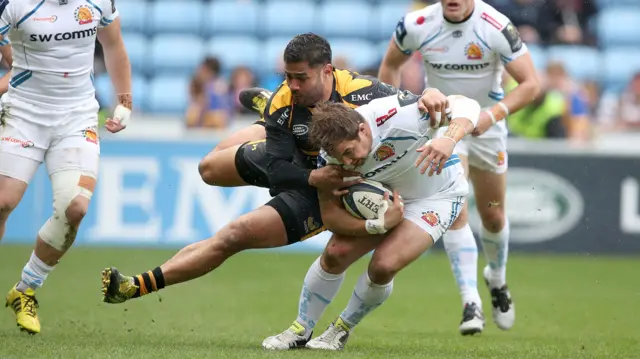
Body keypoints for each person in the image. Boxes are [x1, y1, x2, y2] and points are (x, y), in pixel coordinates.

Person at [100, 33, 446, 306]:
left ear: (327, 71)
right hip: (300, 164)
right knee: (208, 168)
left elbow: (412, 105)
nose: (292, 86)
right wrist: (312, 174)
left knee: (234, 236)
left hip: (328, 189)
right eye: (287, 77)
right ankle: (267, 117)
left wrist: (429, 93)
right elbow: (279, 171)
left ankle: (134, 287)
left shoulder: (364, 91)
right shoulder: (288, 99)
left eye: (300, 78)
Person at [263, 92, 481, 351]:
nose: (346, 162)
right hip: (387, 197)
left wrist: (448, 138)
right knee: (335, 253)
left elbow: (469, 104)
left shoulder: (398, 115)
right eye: (340, 157)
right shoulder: (330, 157)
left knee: (383, 266)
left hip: (438, 196)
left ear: (363, 130)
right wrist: (376, 225)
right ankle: (300, 329)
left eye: (348, 152)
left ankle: (340, 330)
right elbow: (331, 217)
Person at [378, 0, 540, 334]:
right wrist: (397, 111)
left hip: (486, 126)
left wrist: (491, 115)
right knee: (456, 208)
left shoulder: (494, 26)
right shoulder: (417, 24)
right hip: (444, 127)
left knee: (493, 215)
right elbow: (390, 65)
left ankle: (496, 278)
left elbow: (531, 84)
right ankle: (471, 303)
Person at [0, 0, 132, 334]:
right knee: (3, 202)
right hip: (23, 113)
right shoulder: (13, 5)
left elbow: (113, 43)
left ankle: (26, 288)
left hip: (77, 118)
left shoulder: (99, 1)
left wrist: (124, 101)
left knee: (75, 208)